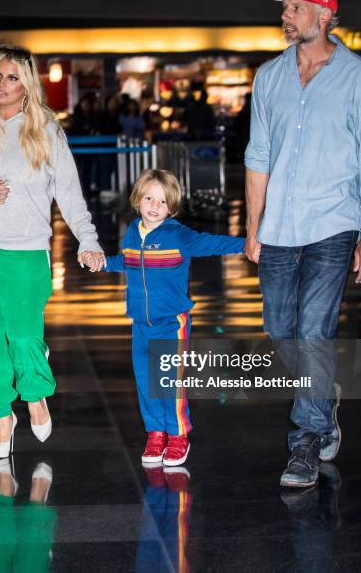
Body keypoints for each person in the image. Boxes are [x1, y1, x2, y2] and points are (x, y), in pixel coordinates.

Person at [244, 0, 361, 487]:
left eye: (295, 7)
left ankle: (304, 441)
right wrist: (252, 225)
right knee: (282, 329)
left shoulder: (360, 79)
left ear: (324, 15)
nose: (286, 16)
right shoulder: (269, 77)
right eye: (285, 7)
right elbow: (258, 157)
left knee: (312, 330)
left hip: (334, 222)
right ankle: (323, 400)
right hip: (280, 225)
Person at [0, 46, 105, 458]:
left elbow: (69, 193)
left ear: (27, 85)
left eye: (12, 77)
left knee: (23, 336)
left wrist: (87, 239)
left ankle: (35, 396)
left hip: (29, 253)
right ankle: (3, 415)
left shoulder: (47, 132)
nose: (2, 84)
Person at [85, 169, 245, 466]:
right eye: (149, 198)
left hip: (172, 323)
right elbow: (129, 262)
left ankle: (177, 435)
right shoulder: (133, 231)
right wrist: (103, 262)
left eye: (162, 201)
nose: (155, 206)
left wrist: (247, 245)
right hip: (141, 324)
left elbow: (212, 243)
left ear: (171, 207)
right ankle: (156, 433)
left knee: (169, 383)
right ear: (138, 199)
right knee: (146, 381)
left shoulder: (178, 235)